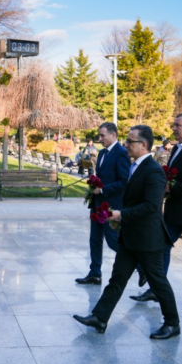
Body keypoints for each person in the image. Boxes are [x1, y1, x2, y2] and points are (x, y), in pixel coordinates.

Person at [73, 125, 180, 340]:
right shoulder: (135, 166)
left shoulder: (154, 171)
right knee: (117, 279)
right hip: (131, 237)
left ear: (143, 145)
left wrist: (120, 214)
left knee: (158, 282)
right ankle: (100, 317)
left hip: (148, 239)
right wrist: (120, 218)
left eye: (130, 141)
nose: (126, 145)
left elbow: (152, 206)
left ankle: (172, 323)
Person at [131, 113, 182, 313]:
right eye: (174, 125)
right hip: (175, 211)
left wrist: (173, 188)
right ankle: (157, 289)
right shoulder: (177, 147)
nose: (174, 129)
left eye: (177, 125)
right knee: (161, 248)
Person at [75, 122, 146, 286]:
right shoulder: (102, 153)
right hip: (97, 204)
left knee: (113, 241)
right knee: (95, 240)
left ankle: (141, 267)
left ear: (113, 135)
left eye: (102, 135)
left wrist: (102, 190)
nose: (99, 139)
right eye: (99, 135)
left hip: (111, 205)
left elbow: (123, 181)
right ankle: (95, 273)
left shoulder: (121, 153)